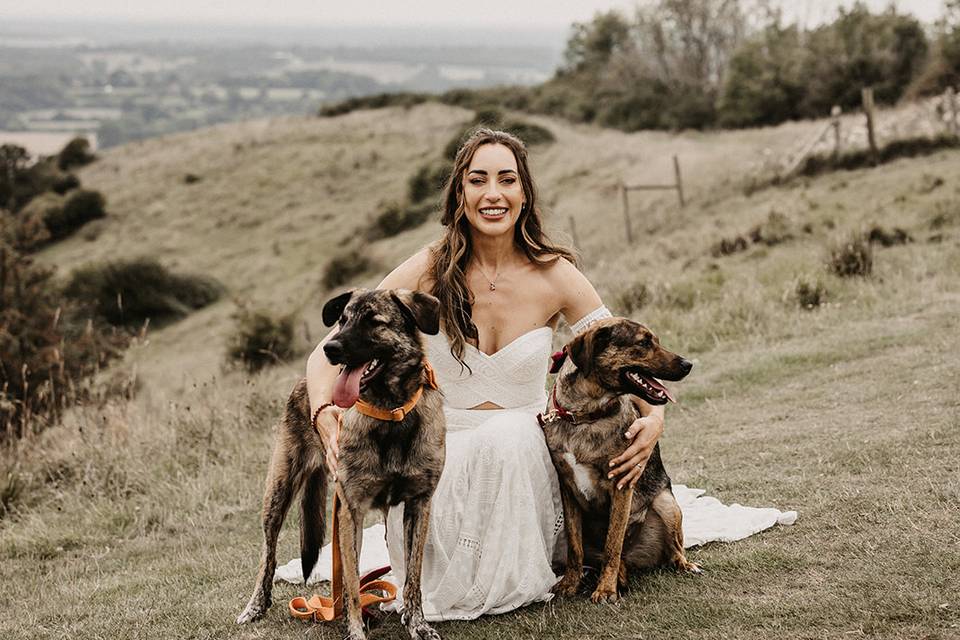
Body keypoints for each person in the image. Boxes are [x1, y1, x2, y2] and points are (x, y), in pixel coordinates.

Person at [304, 128, 663, 620]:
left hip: (527, 446)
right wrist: (325, 412)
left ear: (524, 193)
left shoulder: (555, 273)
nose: (493, 194)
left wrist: (654, 420)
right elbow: (330, 349)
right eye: (478, 180)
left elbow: (620, 353)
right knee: (445, 467)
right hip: (442, 444)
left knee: (506, 441)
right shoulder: (430, 266)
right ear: (460, 193)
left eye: (506, 180)